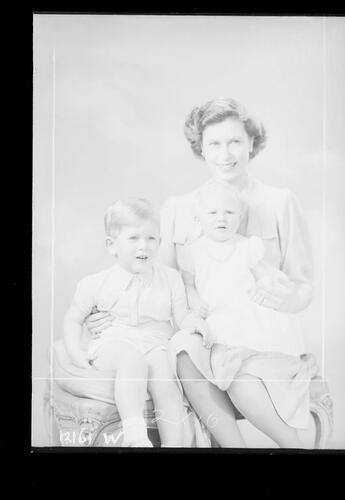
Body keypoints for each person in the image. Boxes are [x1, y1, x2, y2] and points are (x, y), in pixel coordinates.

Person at [86, 97, 318, 447]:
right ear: (201, 149)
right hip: (206, 333)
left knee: (239, 372)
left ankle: (295, 445)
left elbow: (303, 288)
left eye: (235, 141)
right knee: (181, 347)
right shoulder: (179, 208)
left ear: (252, 143)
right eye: (214, 144)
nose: (226, 154)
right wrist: (106, 314)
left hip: (263, 337)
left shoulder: (280, 201)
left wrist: (287, 298)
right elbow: (153, 281)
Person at [168, 180, 316, 448]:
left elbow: (265, 276)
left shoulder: (247, 247)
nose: (221, 219)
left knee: (240, 357)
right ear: (198, 218)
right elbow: (188, 284)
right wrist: (194, 300)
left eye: (229, 213)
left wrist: (266, 286)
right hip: (216, 317)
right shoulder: (193, 250)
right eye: (213, 213)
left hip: (243, 315)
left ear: (239, 218)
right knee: (200, 347)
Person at [63, 198, 211, 447]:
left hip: (156, 342)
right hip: (114, 341)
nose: (144, 246)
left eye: (151, 238)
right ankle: (135, 435)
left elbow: (182, 315)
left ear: (160, 242)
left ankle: (174, 444)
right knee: (132, 359)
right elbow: (73, 319)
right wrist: (76, 352)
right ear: (112, 245)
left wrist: (193, 322)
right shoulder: (95, 283)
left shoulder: (170, 279)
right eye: (134, 238)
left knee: (165, 377)